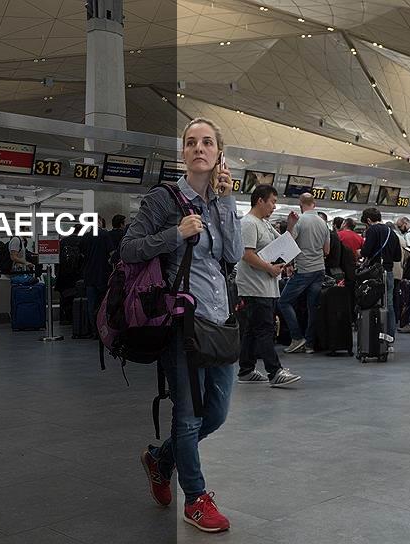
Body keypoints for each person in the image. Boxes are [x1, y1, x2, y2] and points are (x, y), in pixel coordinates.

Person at [128, 118, 242, 533]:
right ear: (183, 153)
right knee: (190, 416)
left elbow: (233, 254)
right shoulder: (164, 199)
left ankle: (161, 459)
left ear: (218, 153)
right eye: (191, 142)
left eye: (207, 142)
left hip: (220, 321)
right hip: (183, 323)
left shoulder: (220, 201)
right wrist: (175, 234)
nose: (199, 148)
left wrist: (227, 202)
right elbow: (129, 248)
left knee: (217, 414)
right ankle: (195, 498)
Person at [236, 185, 301, 387]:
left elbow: (282, 243)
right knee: (265, 329)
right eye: (272, 201)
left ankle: (246, 370)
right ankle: (275, 371)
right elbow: (247, 254)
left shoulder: (264, 223)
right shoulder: (248, 223)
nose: (274, 206)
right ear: (260, 200)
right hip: (254, 286)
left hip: (265, 285)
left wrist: (291, 226)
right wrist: (269, 268)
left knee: (252, 329)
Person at [278, 193, 330, 354]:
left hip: (304, 269)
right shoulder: (323, 223)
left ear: (300, 204)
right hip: (319, 269)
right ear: (314, 203)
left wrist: (290, 225)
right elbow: (327, 250)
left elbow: (289, 243)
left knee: (284, 302)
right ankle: (310, 344)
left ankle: (297, 337)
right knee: (312, 307)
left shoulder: (300, 221)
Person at [360, 208, 403, 343]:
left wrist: (361, 252)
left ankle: (373, 337)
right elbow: (397, 257)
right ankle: (389, 338)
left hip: (375, 273)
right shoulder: (392, 232)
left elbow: (366, 251)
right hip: (388, 272)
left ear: (368, 220)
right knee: (389, 305)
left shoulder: (372, 230)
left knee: (371, 303)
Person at [80, 227, 113, 330]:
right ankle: (103, 328)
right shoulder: (105, 235)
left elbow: (82, 254)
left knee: (91, 304)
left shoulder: (85, 237)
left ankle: (93, 329)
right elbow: (111, 254)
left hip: (89, 275)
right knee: (103, 303)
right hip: (103, 274)